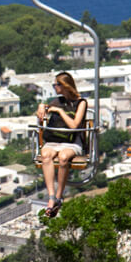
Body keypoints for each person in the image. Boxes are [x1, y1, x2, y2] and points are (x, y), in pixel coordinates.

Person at [35, 72, 89, 218]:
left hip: (71, 142)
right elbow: (44, 110)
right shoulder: (56, 101)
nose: (54, 87)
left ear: (64, 86)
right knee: (46, 155)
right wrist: (42, 107)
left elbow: (74, 125)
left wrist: (60, 111)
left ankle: (59, 196)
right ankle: (51, 196)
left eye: (56, 85)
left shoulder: (81, 103)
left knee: (64, 157)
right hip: (54, 140)